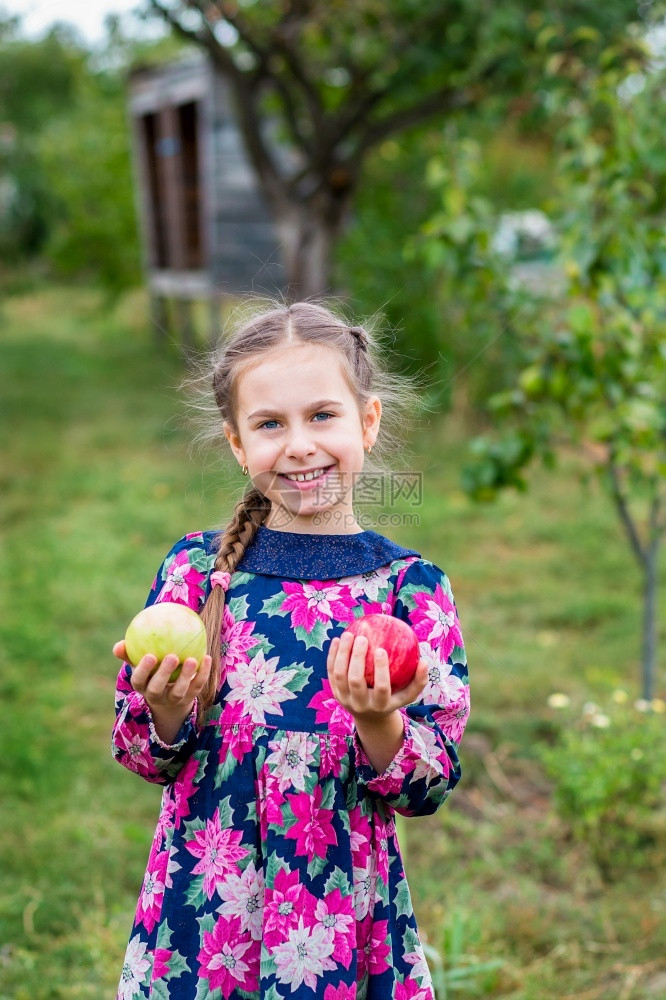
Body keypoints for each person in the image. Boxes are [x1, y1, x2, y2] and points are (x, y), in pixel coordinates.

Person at [111, 301, 470, 1000]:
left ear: (367, 421)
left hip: (339, 923)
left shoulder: (409, 590)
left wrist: (379, 720)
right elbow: (139, 753)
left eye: (322, 415)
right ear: (238, 444)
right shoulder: (194, 573)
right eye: (271, 424)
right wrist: (160, 707)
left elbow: (432, 783)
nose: (300, 444)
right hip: (204, 914)